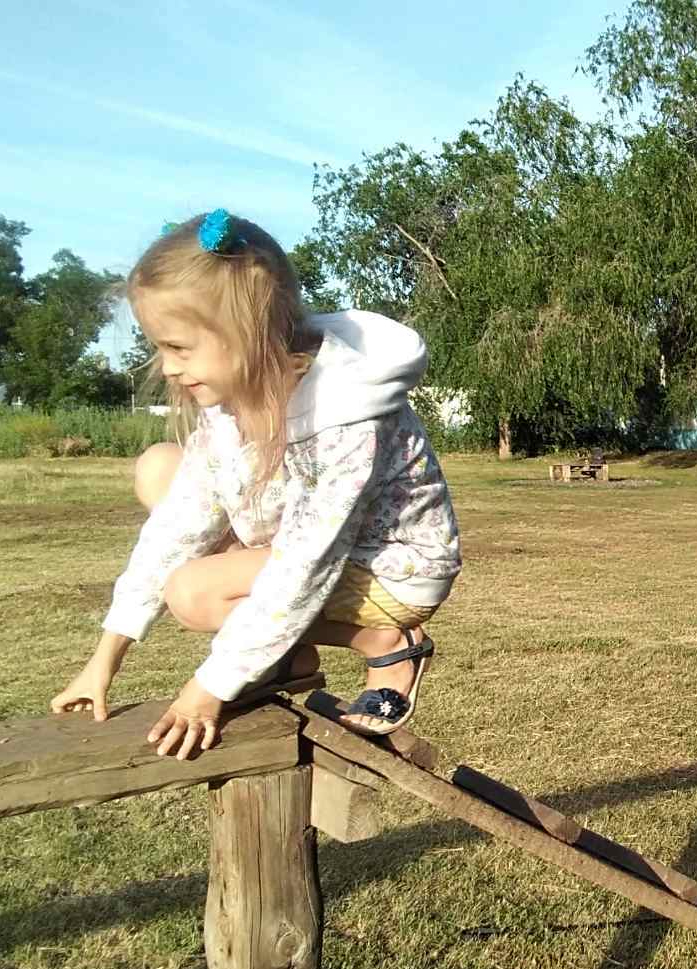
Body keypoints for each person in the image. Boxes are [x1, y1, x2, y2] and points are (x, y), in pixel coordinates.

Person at [50, 209, 462, 760]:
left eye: (179, 347)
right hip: (313, 546)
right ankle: (288, 656)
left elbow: (305, 563)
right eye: (161, 348)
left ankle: (387, 643)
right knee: (162, 470)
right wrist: (104, 657)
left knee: (192, 594)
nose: (167, 367)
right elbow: (179, 524)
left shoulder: (342, 417)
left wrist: (207, 689)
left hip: (396, 568)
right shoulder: (228, 403)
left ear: (249, 334)